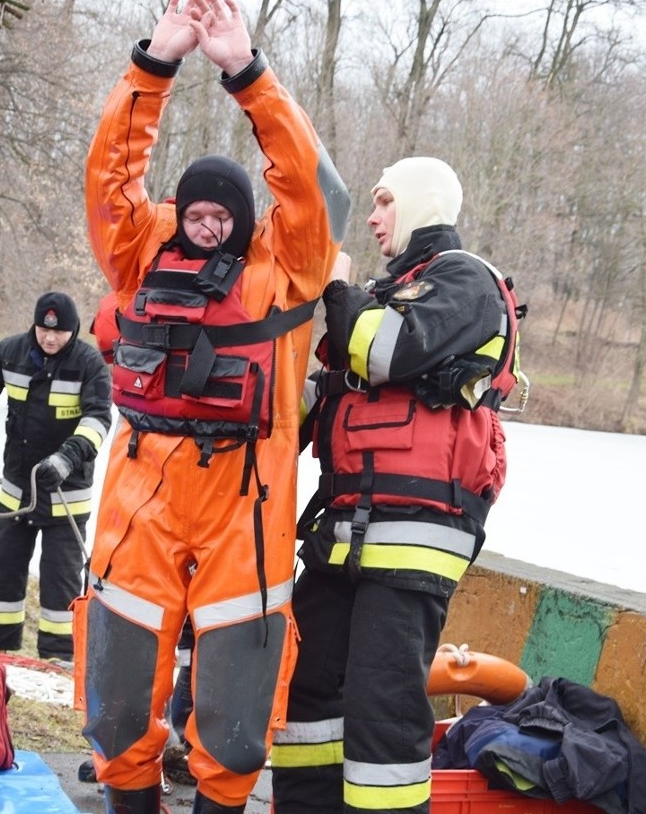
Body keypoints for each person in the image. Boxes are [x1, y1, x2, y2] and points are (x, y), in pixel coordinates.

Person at [78, 0, 350, 814]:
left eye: (217, 214)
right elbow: (109, 174)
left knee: (236, 707)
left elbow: (307, 185)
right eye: (191, 212)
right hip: (142, 487)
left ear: (241, 220)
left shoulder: (288, 266)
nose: (203, 225)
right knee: (118, 694)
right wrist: (155, 61)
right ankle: (129, 798)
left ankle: (217, 802)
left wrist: (245, 72)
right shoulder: (139, 250)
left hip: (248, 498)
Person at [270, 157, 526, 813]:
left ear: (419, 205)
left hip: (413, 540)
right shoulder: (385, 294)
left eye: (386, 203)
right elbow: (324, 402)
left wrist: (337, 292)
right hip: (342, 537)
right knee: (308, 695)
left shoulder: (465, 280)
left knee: (383, 708)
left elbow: (388, 355)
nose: (376, 217)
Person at [0, 291, 112, 662]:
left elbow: (98, 419)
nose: (49, 338)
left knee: (60, 577)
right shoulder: (11, 351)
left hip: (65, 491)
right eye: (44, 330)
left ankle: (59, 654)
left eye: (59, 333)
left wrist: (67, 459)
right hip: (16, 487)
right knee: (5, 565)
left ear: (72, 331)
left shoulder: (88, 364)